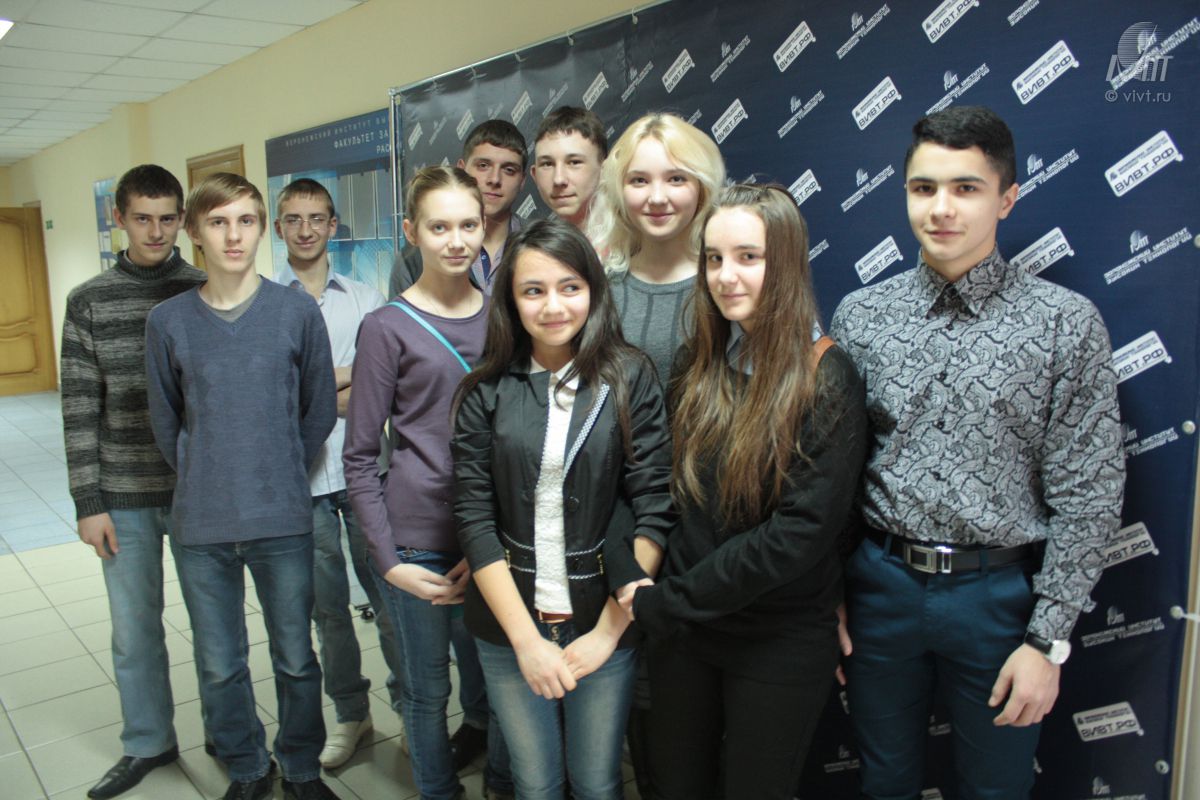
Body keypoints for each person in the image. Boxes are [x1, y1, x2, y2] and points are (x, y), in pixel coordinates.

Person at [829, 106, 1125, 798]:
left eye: (966, 188)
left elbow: (1090, 493)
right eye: (923, 188)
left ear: (1007, 198)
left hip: (997, 601)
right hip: (880, 589)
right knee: (883, 783)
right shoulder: (861, 317)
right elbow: (834, 477)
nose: (941, 208)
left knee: (997, 788)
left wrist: (1047, 641)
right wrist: (830, 598)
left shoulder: (1064, 324)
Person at [619, 184, 868, 799]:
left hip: (775, 636)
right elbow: (661, 486)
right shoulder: (697, 361)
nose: (725, 276)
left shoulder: (826, 377)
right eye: (713, 258)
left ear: (785, 262)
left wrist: (671, 601)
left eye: (748, 257)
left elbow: (798, 535)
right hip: (686, 631)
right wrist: (640, 579)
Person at [451, 217, 673, 799]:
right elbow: (473, 518)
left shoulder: (629, 377)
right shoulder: (485, 390)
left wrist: (607, 633)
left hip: (602, 616)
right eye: (534, 290)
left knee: (597, 782)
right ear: (511, 300)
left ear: (593, 291)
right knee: (536, 783)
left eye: (570, 287)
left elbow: (654, 506)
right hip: (510, 625)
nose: (553, 306)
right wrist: (525, 641)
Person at [145, 173, 340, 800]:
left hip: (281, 518)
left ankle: (301, 767)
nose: (234, 235)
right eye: (219, 222)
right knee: (220, 663)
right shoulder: (168, 321)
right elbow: (166, 419)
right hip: (202, 525)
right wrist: (209, 469)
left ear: (263, 230)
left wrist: (277, 466)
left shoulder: (295, 311)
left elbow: (318, 408)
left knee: (296, 657)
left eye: (247, 221)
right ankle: (248, 766)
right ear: (195, 233)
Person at [343, 165, 513, 800]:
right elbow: (361, 456)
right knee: (426, 689)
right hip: (417, 542)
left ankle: (502, 782)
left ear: (484, 227)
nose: (456, 241)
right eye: (439, 227)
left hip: (491, 534)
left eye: (468, 225)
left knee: (498, 680)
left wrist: (493, 540)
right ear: (411, 232)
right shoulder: (386, 327)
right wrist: (389, 563)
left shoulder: (505, 315)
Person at [61, 164, 206, 799]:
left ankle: (232, 743)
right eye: (142, 218)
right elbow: (78, 407)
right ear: (118, 218)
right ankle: (148, 741)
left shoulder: (203, 290)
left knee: (215, 627)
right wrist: (87, 500)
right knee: (134, 630)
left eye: (168, 218)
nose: (156, 231)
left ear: (182, 220)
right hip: (122, 496)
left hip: (198, 493)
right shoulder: (88, 300)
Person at [271, 178, 405, 769]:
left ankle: (411, 708)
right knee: (328, 611)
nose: (305, 230)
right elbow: (272, 393)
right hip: (302, 481)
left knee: (392, 599)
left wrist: (312, 385)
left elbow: (387, 385)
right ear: (279, 227)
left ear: (332, 226)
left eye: (316, 219)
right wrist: (344, 380)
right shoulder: (264, 303)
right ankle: (352, 714)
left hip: (368, 473)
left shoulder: (367, 298)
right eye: (293, 219)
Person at [588, 112, 726, 384]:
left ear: (702, 188)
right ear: (619, 191)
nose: (657, 198)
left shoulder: (728, 284)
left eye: (676, 179)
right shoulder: (600, 289)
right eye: (639, 180)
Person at [390, 119, 528, 299]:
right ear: (462, 169)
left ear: (522, 180)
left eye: (509, 170)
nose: (494, 179)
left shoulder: (540, 244)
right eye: (483, 165)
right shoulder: (414, 258)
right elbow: (399, 316)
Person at [530, 105, 607, 229]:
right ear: (535, 176)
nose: (558, 179)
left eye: (574, 162)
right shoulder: (538, 240)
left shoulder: (635, 235)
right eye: (547, 164)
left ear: (605, 169)